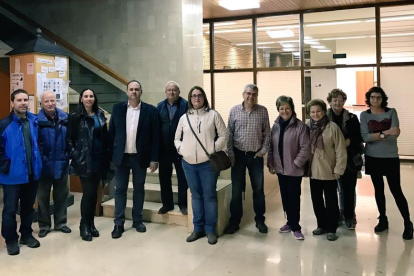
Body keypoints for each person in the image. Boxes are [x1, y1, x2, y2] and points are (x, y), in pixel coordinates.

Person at [174, 86, 227, 245]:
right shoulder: (184, 118)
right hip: (188, 164)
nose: (196, 98)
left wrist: (213, 149)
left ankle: (210, 229)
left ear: (204, 98)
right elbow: (177, 138)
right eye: (193, 96)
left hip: (207, 164)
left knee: (209, 196)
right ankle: (198, 228)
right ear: (190, 99)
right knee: (195, 196)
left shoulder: (213, 115)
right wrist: (182, 150)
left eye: (199, 95)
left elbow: (224, 135)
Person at [360, 86, 413, 240]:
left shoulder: (391, 112)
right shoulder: (365, 115)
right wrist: (385, 133)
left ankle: (408, 223)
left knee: (396, 190)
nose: (374, 100)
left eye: (378, 97)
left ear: (383, 99)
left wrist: (378, 135)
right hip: (372, 157)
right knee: (378, 189)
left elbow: (396, 132)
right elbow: (365, 138)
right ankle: (383, 219)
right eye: (372, 97)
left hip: (390, 157)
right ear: (369, 99)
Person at [109, 80, 159, 239]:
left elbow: (155, 137)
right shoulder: (117, 109)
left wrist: (154, 158)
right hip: (121, 157)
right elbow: (112, 133)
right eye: (131, 89)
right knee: (120, 189)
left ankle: (137, 220)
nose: (134, 92)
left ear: (141, 92)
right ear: (126, 91)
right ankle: (119, 223)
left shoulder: (150, 110)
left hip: (140, 157)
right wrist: (111, 155)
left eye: (137, 89)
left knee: (139, 189)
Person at [0, 89, 42, 255]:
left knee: (28, 208)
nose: (23, 103)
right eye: (19, 100)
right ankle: (10, 239)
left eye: (26, 100)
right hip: (12, 176)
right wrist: (6, 166)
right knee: (10, 210)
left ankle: (26, 234)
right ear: (12, 103)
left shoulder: (34, 121)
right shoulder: (4, 125)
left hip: (31, 173)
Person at [225, 84, 270, 235]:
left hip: (255, 156)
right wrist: (230, 153)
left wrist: (263, 151)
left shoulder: (263, 111)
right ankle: (234, 221)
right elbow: (229, 134)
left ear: (257, 96)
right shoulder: (234, 110)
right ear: (243, 94)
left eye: (254, 94)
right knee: (236, 190)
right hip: (238, 155)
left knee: (258, 189)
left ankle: (260, 220)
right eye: (248, 93)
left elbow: (267, 134)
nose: (251, 97)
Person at [67, 88, 110, 242]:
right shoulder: (75, 117)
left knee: (95, 194)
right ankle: (84, 225)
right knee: (89, 193)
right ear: (81, 99)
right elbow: (69, 139)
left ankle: (91, 224)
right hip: (84, 160)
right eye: (85, 96)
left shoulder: (99, 115)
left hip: (99, 159)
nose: (89, 99)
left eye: (91, 96)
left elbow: (104, 136)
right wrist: (76, 155)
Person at [267, 96, 310, 240]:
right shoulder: (276, 126)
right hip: (280, 169)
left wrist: (296, 164)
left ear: (292, 109)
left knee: (293, 198)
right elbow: (272, 147)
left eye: (287, 108)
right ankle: (289, 222)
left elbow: (305, 148)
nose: (284, 111)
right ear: (278, 110)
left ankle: (296, 227)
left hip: (294, 170)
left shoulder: (300, 126)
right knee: (285, 198)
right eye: (281, 108)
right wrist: (271, 163)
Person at [307, 99, 346, 241]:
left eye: (318, 111)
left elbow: (341, 150)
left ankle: (331, 228)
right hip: (313, 172)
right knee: (316, 200)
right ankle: (321, 225)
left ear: (324, 112)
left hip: (329, 171)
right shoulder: (307, 126)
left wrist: (338, 169)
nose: (315, 114)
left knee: (331, 202)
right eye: (312, 112)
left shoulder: (333, 127)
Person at [326, 89, 363, 230]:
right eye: (335, 100)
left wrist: (347, 141)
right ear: (330, 101)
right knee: (332, 190)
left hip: (349, 160)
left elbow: (358, 137)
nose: (338, 103)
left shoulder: (352, 118)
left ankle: (349, 215)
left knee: (349, 189)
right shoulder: (324, 118)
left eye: (341, 100)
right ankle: (337, 214)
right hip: (330, 160)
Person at [37, 91, 71, 238]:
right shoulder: (36, 122)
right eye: (47, 101)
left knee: (61, 195)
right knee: (43, 197)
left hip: (62, 164)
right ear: (41, 104)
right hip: (44, 166)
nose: (50, 104)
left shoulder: (65, 119)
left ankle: (61, 222)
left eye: (52, 100)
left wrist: (68, 155)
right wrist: (42, 159)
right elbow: (36, 144)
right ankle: (44, 225)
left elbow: (70, 139)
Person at [157, 81, 188, 215]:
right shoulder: (160, 106)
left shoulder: (186, 105)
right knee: (164, 177)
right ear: (165, 92)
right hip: (164, 149)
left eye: (174, 90)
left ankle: (183, 204)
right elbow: (156, 127)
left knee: (182, 177)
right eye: (169, 90)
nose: (171, 92)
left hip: (181, 148)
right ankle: (167, 204)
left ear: (179, 92)